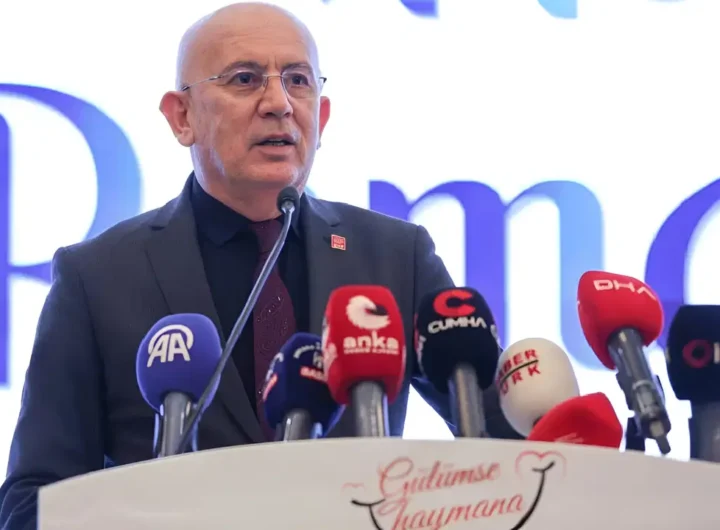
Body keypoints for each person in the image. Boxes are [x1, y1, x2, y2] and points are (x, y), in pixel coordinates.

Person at [0, 3, 519, 528]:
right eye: (245, 79)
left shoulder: (394, 256)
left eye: (298, 81)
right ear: (182, 117)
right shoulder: (96, 277)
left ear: (322, 116)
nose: (279, 103)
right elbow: (31, 500)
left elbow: (509, 445)